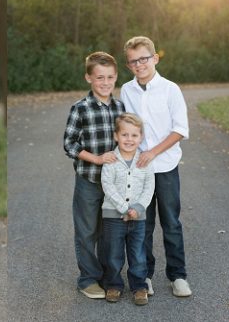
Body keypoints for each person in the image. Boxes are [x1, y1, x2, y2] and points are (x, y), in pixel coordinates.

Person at [120, 36, 192, 298]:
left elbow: (180, 129)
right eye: (133, 61)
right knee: (143, 224)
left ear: (155, 58)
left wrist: (152, 152)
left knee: (171, 222)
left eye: (143, 59)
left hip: (166, 165)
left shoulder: (170, 89)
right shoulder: (127, 91)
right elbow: (126, 128)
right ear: (129, 65)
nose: (139, 64)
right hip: (139, 169)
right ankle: (144, 276)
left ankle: (178, 276)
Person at [62, 50, 125, 300]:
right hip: (89, 180)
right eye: (100, 77)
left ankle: (109, 277)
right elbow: (69, 144)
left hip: (115, 184)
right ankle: (88, 279)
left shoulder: (121, 108)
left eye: (110, 77)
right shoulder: (81, 108)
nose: (105, 82)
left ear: (116, 77)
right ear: (88, 78)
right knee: (87, 231)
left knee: (109, 232)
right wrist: (97, 158)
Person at [100, 113, 155, 306]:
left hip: (138, 217)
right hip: (113, 216)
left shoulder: (145, 160)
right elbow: (108, 185)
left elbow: (149, 187)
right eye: (124, 135)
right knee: (113, 252)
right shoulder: (111, 160)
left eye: (134, 135)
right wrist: (124, 208)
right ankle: (113, 284)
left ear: (140, 137)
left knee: (138, 253)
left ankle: (139, 287)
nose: (129, 139)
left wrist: (138, 208)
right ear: (116, 136)